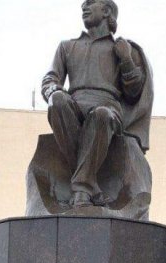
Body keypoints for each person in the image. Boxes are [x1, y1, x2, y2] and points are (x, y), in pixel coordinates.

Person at [42, 0, 152, 208]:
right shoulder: (67, 46)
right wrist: (53, 91)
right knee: (56, 100)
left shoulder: (121, 48)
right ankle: (89, 184)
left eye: (91, 3)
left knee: (101, 115)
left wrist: (127, 59)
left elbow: (134, 93)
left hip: (108, 107)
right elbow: (50, 80)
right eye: (83, 4)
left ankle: (82, 186)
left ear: (107, 11)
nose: (84, 7)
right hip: (73, 105)